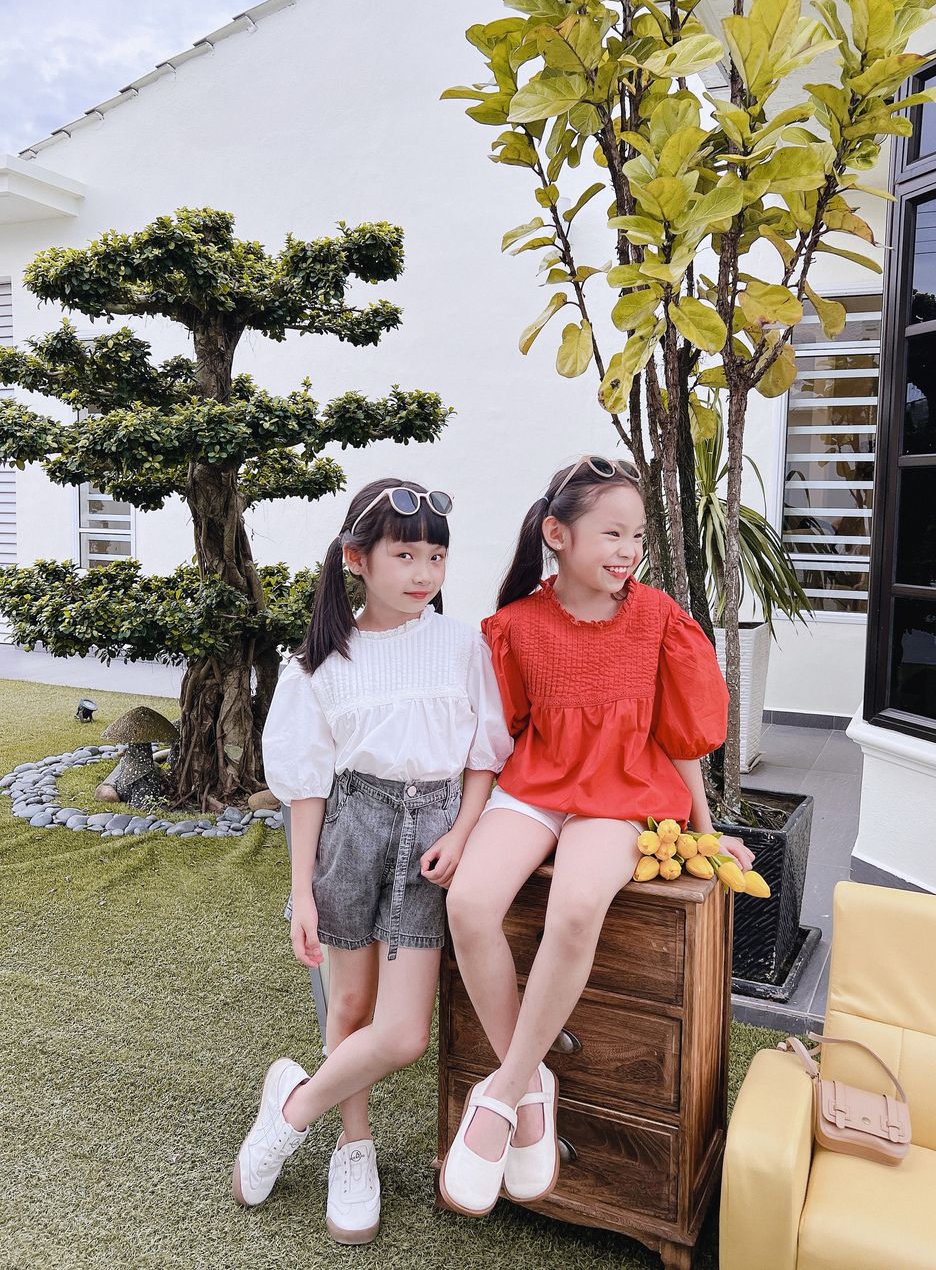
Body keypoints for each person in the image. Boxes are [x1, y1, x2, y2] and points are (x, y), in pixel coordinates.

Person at [439, 455, 754, 1217]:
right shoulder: (514, 626)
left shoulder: (657, 618)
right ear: (558, 534)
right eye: (612, 533)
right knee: (470, 903)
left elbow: (681, 736)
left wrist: (707, 832)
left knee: (578, 904)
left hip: (620, 790)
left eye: (637, 535)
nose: (628, 550)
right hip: (537, 782)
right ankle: (531, 1083)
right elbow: (500, 736)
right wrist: (465, 827)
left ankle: (502, 1093)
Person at [232, 477, 512, 1243]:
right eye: (405, 555)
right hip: (353, 828)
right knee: (349, 1006)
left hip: (431, 839)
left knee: (404, 1032)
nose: (423, 572)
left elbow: (484, 754)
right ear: (357, 559)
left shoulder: (462, 645)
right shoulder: (320, 664)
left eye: (435, 557)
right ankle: (352, 1147)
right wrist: (302, 891)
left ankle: (292, 1108)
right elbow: (306, 788)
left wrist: (464, 831)